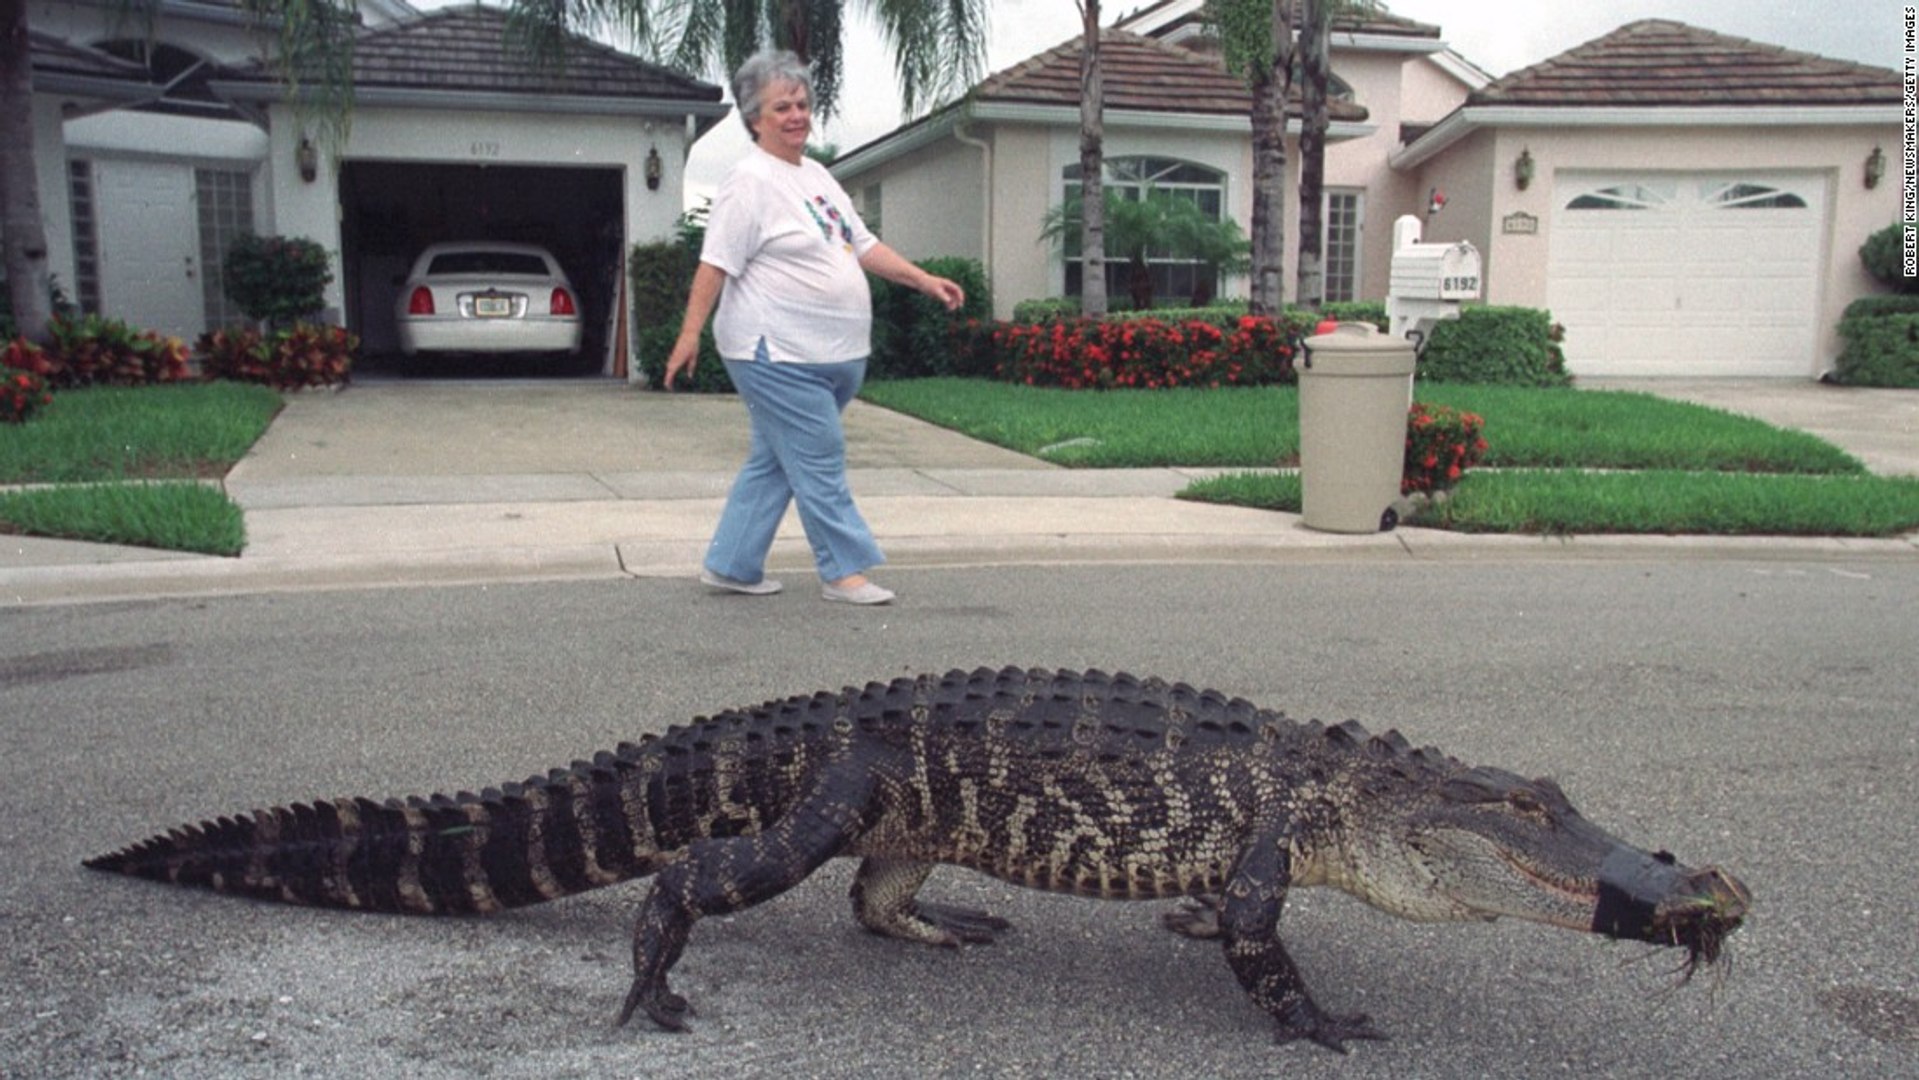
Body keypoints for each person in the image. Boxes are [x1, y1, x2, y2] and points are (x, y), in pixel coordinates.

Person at [664, 49, 963, 606]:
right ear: (755, 118)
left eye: (802, 103)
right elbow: (716, 264)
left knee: (776, 461)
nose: (797, 114)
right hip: (774, 352)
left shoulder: (818, 176)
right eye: (782, 107)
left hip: (833, 355)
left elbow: (863, 245)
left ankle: (731, 564)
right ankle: (843, 570)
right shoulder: (748, 181)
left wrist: (924, 280)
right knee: (819, 454)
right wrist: (689, 336)